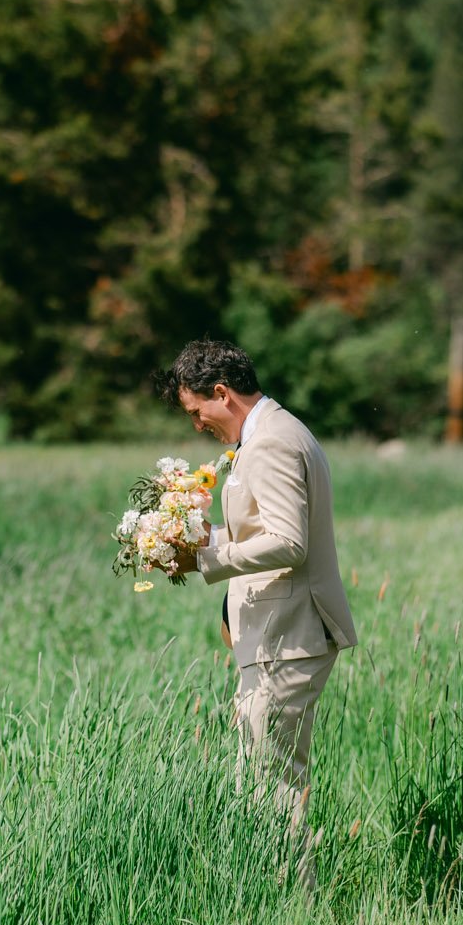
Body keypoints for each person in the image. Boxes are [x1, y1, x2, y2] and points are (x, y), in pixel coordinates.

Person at [156, 340, 356, 832]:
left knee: (273, 787)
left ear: (222, 393)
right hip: (278, 632)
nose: (196, 424)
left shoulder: (271, 441)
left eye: (195, 410)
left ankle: (294, 905)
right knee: (263, 781)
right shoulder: (270, 431)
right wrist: (194, 540)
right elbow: (267, 531)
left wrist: (207, 558)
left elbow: (289, 543)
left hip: (288, 633)